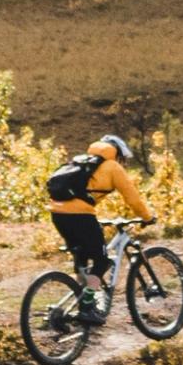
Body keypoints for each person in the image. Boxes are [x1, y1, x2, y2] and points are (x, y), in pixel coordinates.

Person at [45, 133, 149, 315]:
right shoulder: (112, 167)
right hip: (80, 215)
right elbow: (132, 198)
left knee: (82, 256)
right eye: (123, 159)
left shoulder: (81, 162)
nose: (123, 163)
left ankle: (83, 300)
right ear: (117, 154)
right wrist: (147, 217)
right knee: (102, 261)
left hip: (57, 213)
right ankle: (86, 303)